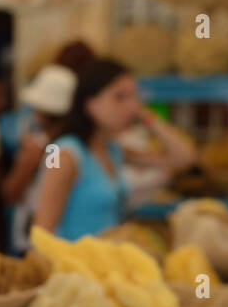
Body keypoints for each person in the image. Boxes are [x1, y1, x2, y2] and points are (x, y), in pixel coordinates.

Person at [32, 57, 197, 240]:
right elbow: (42, 232)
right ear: (90, 103)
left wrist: (146, 117)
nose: (132, 106)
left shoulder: (113, 150)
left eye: (134, 96)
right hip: (76, 264)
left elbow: (184, 158)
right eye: (120, 97)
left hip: (107, 263)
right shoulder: (65, 154)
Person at [3, 65, 78, 254]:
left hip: (38, 240)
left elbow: (11, 192)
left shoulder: (44, 148)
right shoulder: (78, 147)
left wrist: (26, 161)